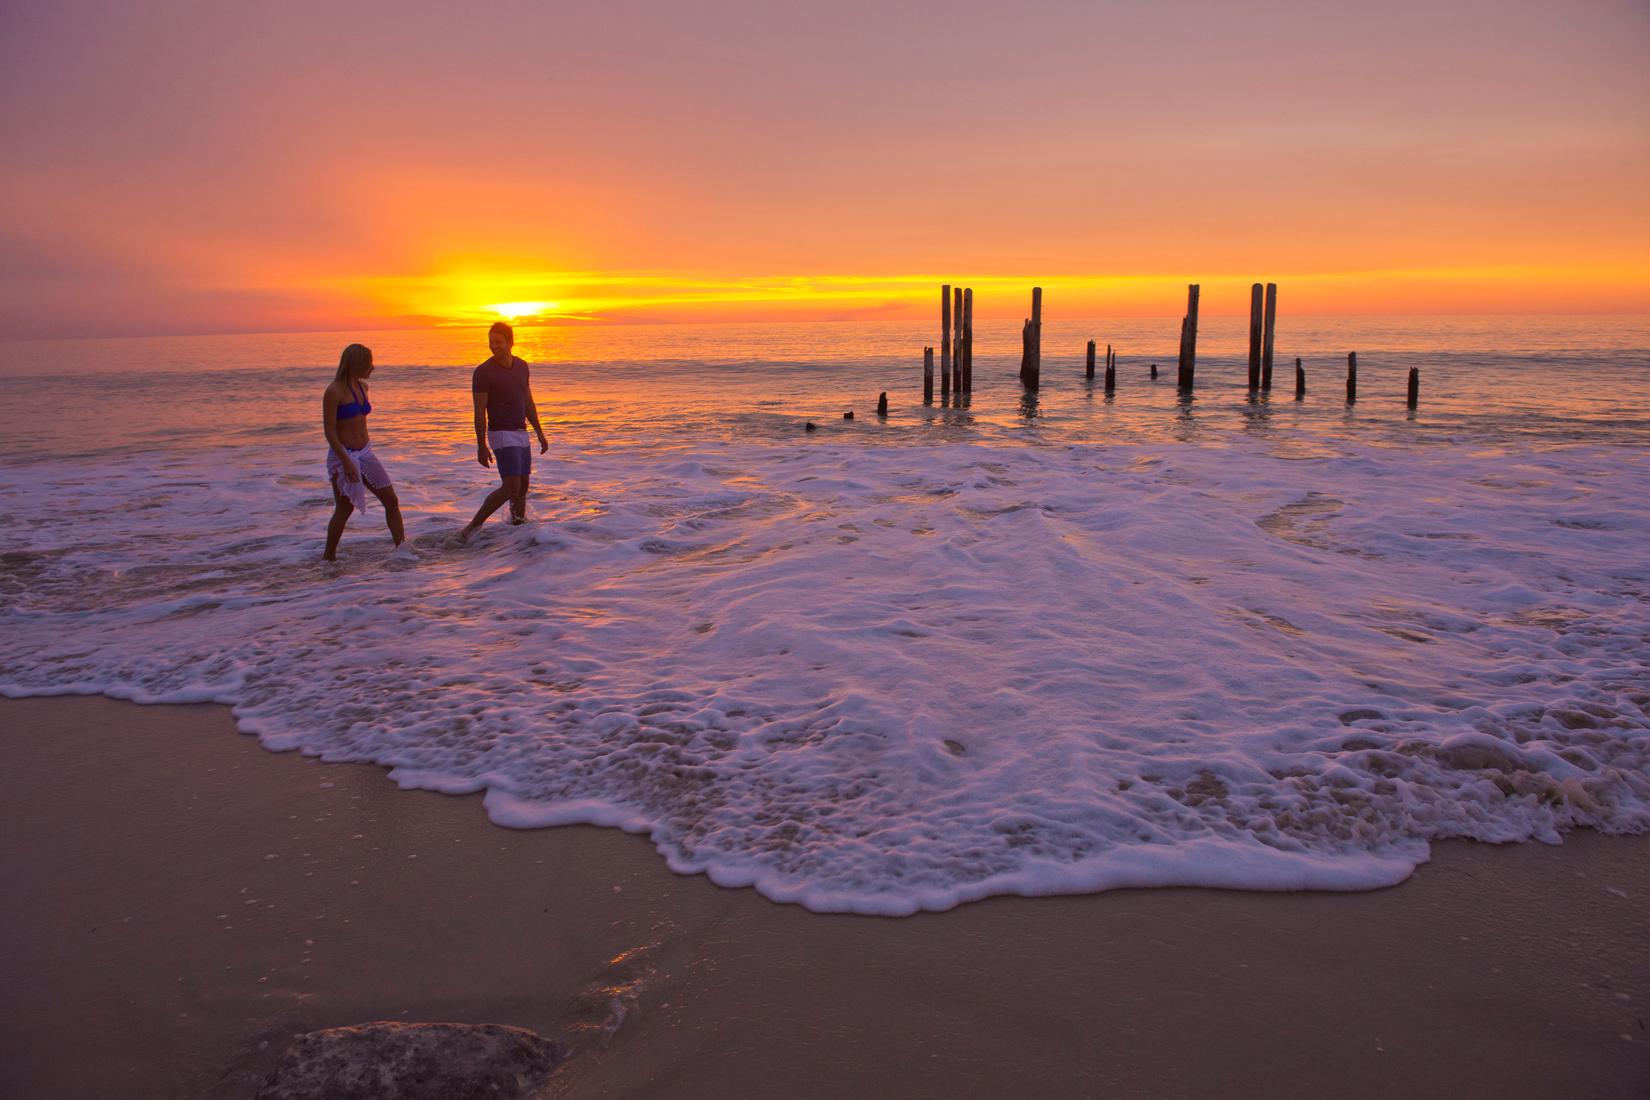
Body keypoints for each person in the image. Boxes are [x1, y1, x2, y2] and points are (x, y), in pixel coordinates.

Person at [459, 321, 549, 542]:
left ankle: (517, 526)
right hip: (500, 433)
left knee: (523, 485)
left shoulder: (521, 366)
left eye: (498, 342)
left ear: (510, 342)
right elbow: (479, 411)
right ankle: (470, 529)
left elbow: (528, 402)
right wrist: (481, 445)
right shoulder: (483, 373)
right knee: (511, 486)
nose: (493, 346)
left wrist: (539, 432)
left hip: (520, 431)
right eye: (491, 342)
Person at [322, 343, 405, 560]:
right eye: (369, 363)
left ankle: (402, 549)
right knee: (344, 509)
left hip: (366, 453)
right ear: (357, 365)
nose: (373, 368)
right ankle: (328, 557)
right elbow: (329, 431)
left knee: (391, 500)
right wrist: (346, 461)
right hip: (343, 456)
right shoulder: (333, 392)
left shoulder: (363, 388)